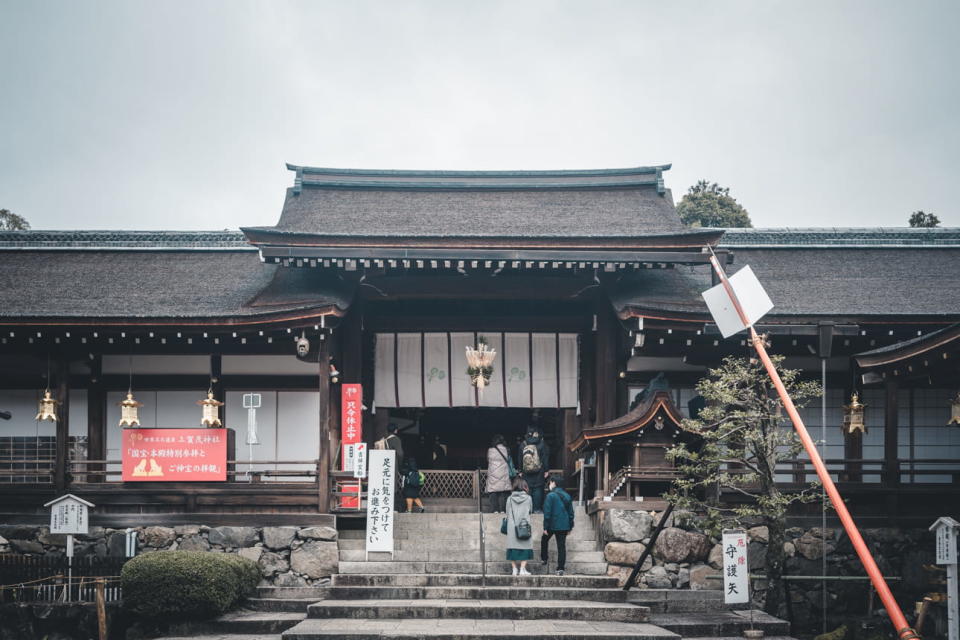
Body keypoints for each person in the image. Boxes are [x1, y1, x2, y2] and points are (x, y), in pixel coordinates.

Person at [541, 474, 574, 576]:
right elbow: (571, 513)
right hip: (563, 526)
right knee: (561, 546)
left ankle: (544, 558)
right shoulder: (567, 496)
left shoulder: (550, 496)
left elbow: (547, 514)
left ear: (554, 483)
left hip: (551, 525)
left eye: (550, 482)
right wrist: (570, 526)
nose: (549, 484)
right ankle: (560, 569)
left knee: (544, 539)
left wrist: (545, 527)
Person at [505, 476, 534, 576]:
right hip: (524, 526)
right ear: (524, 486)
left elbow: (507, 513)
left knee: (512, 548)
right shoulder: (528, 498)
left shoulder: (509, 499)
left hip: (512, 527)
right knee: (526, 548)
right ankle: (522, 569)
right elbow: (530, 511)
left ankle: (514, 570)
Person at [518, 426, 549, 513]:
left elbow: (520, 459)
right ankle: (537, 509)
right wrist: (546, 470)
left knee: (527, 489)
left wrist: (520, 470)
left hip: (526, 472)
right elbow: (545, 458)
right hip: (539, 471)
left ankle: (528, 510)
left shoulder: (523, 444)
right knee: (538, 489)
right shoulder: (542, 444)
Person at [485, 434, 513, 513]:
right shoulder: (507, 450)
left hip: (493, 474)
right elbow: (509, 460)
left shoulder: (490, 450)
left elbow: (488, 460)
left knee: (493, 491)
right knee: (503, 492)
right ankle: (503, 510)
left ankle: (495, 510)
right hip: (504, 473)